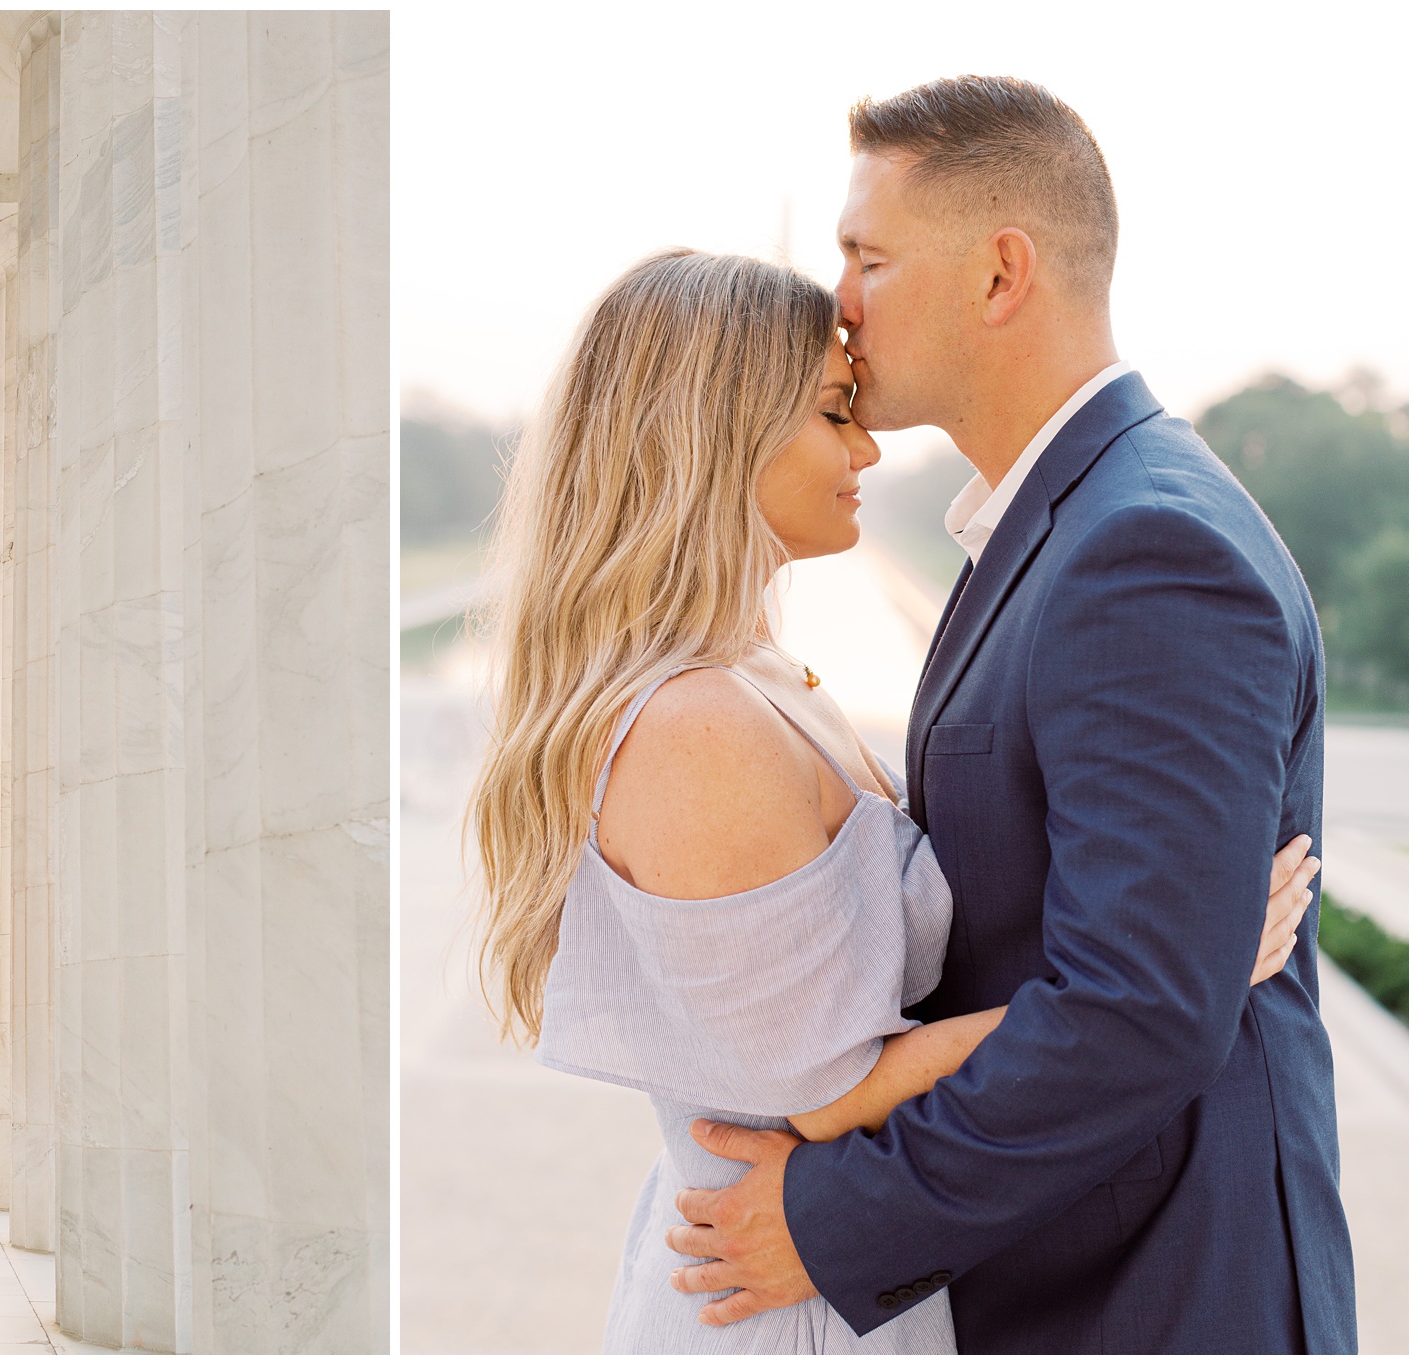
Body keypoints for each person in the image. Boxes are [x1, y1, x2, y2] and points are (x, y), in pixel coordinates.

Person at [469, 239, 1331, 1347]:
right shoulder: (697, 728)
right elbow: (827, 1091)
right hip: (787, 1300)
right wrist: (1188, 966)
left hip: (843, 1278)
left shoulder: (752, 676)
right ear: (715, 433)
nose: (867, 444)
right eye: (832, 412)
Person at [641, 78, 1356, 1352]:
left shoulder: (1143, 549)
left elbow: (1137, 1011)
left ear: (997, 274)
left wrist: (829, 1219)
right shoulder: (1056, 527)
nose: (839, 302)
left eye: (866, 257)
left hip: (1154, 1294)